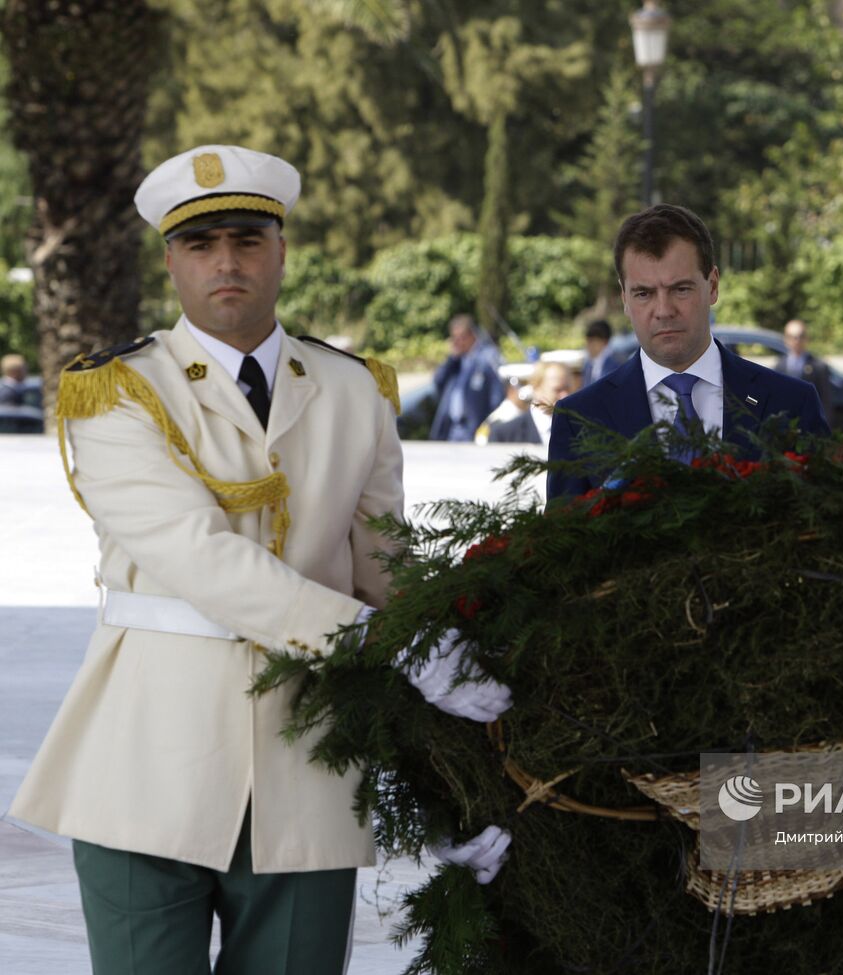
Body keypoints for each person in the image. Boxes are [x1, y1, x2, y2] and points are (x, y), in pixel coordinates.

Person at [5, 145, 509, 975]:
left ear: (281, 249)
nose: (226, 263)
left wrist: (450, 775)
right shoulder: (119, 393)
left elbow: (391, 576)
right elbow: (202, 560)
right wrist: (387, 641)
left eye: (246, 239)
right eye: (201, 245)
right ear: (171, 261)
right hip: (146, 763)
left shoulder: (356, 391)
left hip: (307, 768)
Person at [547, 204, 829, 500]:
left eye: (681, 289)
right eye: (644, 293)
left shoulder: (793, 403)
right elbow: (562, 542)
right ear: (624, 299)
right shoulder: (579, 419)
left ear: (713, 286)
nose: (664, 311)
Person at [429, 313, 504, 441]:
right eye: (454, 338)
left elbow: (496, 398)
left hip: (476, 429)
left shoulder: (488, 357)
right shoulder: (456, 362)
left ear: (472, 335)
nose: (457, 342)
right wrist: (451, 359)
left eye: (461, 337)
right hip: (453, 430)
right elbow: (438, 382)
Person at [489, 361, 571, 444]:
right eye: (558, 390)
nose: (565, 396)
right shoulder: (505, 434)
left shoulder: (578, 429)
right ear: (536, 388)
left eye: (568, 389)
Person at [778, 318, 834, 423]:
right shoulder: (780, 365)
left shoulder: (819, 367)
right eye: (793, 337)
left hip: (810, 424)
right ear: (786, 339)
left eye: (801, 336)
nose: (797, 341)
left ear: (807, 338)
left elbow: (825, 401)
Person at [582, 318, 622, 387]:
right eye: (588, 342)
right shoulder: (588, 364)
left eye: (592, 342)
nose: (589, 346)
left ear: (604, 342)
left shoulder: (616, 364)